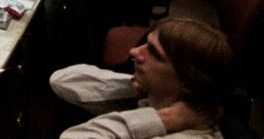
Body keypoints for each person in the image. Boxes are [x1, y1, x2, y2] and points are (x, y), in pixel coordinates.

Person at [51, 17, 234, 138]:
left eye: (154, 52)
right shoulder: (158, 98)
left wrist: (164, 119)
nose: (134, 51)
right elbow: (62, 81)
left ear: (188, 82)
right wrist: (137, 85)